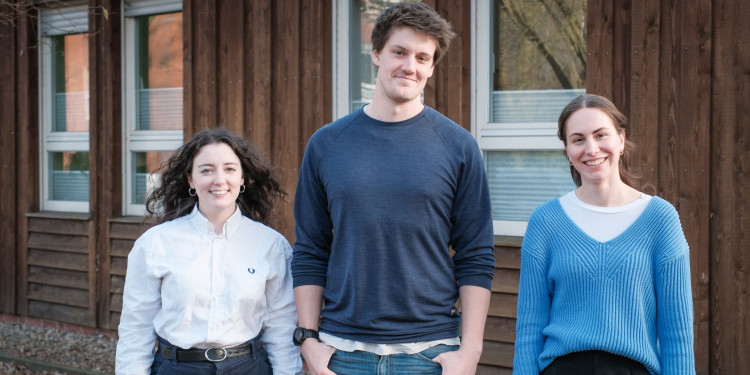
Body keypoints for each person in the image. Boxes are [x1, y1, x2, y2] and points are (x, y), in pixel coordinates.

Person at [291, 2, 495, 375]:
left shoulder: (459, 146)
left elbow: (476, 255)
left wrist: (471, 352)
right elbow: (309, 249)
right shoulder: (326, 144)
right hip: (340, 354)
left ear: (431, 67)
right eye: (399, 52)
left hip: (429, 354)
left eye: (422, 57)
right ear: (377, 54)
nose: (409, 66)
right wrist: (308, 341)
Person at [513, 94, 695, 375]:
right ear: (567, 151)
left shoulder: (660, 219)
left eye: (601, 135)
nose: (591, 148)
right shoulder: (545, 222)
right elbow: (529, 328)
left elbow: (676, 333)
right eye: (578, 139)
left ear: (621, 140)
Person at [115, 128, 301, 375]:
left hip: (249, 367)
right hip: (177, 368)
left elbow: (281, 325)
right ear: (191, 179)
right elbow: (136, 327)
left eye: (230, 169)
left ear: (243, 178)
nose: (219, 180)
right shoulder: (155, 244)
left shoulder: (271, 245)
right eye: (206, 170)